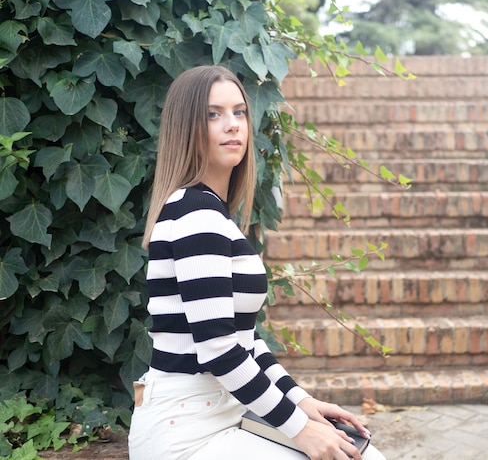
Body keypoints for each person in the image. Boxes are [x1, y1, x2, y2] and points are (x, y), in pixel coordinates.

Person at [127, 65, 387, 460]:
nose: (232, 125)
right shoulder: (195, 216)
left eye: (239, 112)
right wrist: (302, 432)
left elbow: (243, 340)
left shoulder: (212, 214)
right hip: (185, 430)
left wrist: (301, 401)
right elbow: (219, 351)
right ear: (186, 128)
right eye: (213, 114)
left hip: (221, 415)